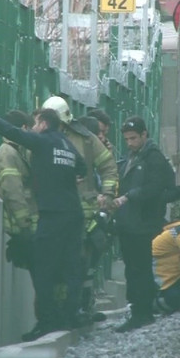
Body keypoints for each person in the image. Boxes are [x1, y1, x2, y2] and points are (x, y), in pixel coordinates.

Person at [0, 103, 86, 341]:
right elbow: (83, 167)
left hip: (52, 215)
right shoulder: (66, 144)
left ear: (44, 124)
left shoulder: (43, 142)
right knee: (70, 268)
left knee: (43, 269)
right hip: (74, 214)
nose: (33, 127)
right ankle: (69, 315)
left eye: (36, 123)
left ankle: (47, 322)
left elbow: (14, 133)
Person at [42, 96, 118, 321]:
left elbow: (108, 166)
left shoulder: (85, 139)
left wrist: (107, 194)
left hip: (83, 214)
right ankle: (54, 314)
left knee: (81, 263)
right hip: (51, 211)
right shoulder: (39, 138)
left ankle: (76, 309)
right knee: (52, 265)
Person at [112, 116, 175, 333]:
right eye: (127, 139)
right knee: (134, 268)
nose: (129, 143)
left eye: (133, 138)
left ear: (144, 135)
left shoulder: (153, 159)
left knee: (139, 268)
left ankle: (142, 312)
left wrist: (133, 196)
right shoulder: (133, 157)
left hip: (143, 223)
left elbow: (161, 187)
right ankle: (140, 310)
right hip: (130, 223)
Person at [0, 110, 37, 269]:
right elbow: (13, 191)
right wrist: (25, 225)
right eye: (29, 129)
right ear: (23, 128)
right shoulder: (8, 154)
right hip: (18, 225)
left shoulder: (15, 152)